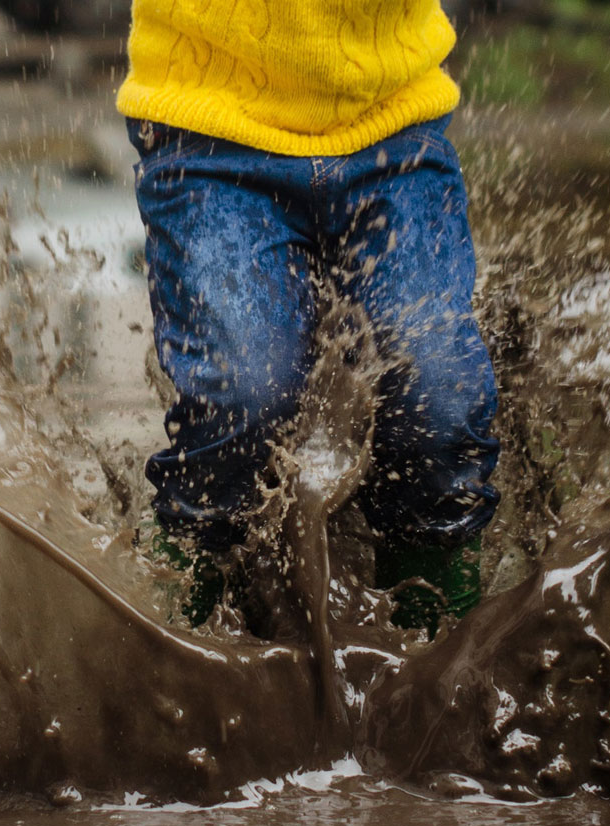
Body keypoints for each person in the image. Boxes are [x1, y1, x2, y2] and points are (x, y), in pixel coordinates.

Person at [116, 0, 500, 629]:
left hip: (391, 115)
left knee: (440, 397)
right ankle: (173, 638)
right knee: (243, 395)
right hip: (209, 126)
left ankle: (439, 653)